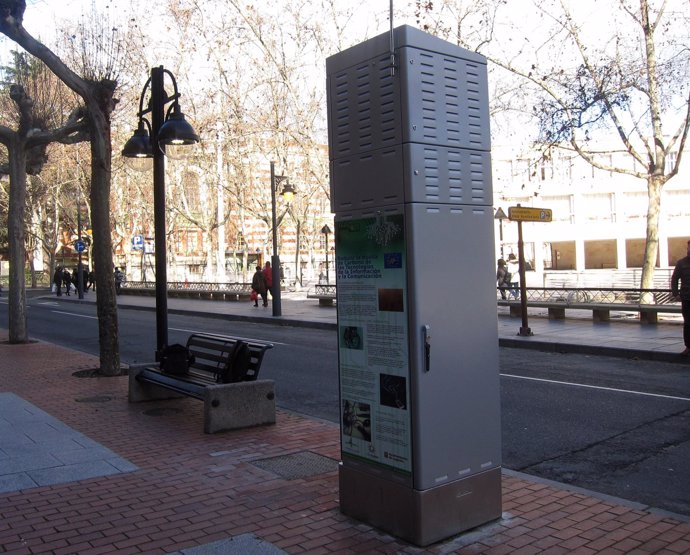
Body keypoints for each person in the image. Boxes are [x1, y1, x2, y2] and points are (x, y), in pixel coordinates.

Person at [671, 239, 690, 356]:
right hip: (687, 298)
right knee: (688, 323)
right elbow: (674, 279)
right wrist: (675, 293)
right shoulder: (681, 263)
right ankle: (688, 347)